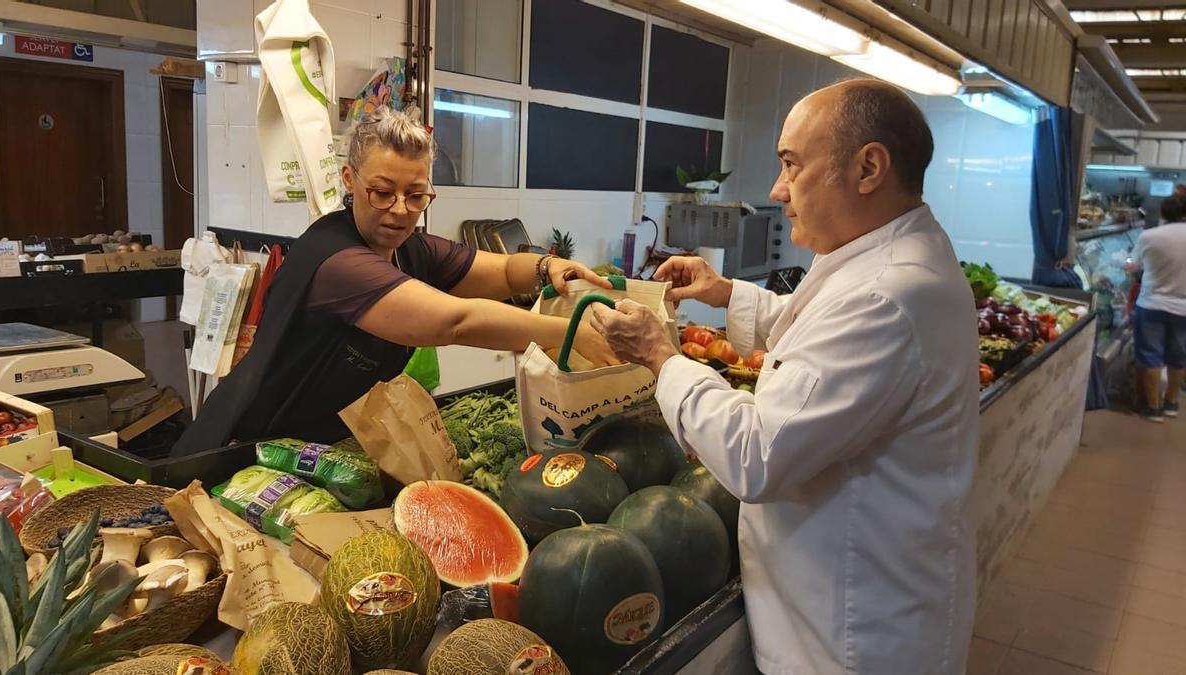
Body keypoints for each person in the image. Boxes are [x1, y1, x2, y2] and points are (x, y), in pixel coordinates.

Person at [592, 79, 978, 674]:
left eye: (791, 165)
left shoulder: (886, 296)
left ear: (868, 167)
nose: (777, 190)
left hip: (852, 638)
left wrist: (660, 357)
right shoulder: (888, 259)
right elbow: (818, 338)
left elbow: (755, 453)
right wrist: (726, 295)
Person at [173, 110, 617, 455]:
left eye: (417, 195)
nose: (401, 210)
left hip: (319, 443)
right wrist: (571, 333)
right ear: (350, 180)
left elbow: (501, 271)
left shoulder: (412, 249)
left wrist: (547, 268)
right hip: (245, 446)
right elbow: (454, 322)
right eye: (382, 192)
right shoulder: (337, 261)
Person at [1127, 194, 1186, 422]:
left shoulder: (1149, 236)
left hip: (1151, 304)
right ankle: (1172, 403)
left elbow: (1132, 265)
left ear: (1163, 213)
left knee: (1150, 357)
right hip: (1183, 309)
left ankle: (1153, 408)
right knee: (1179, 358)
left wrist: (1121, 263)